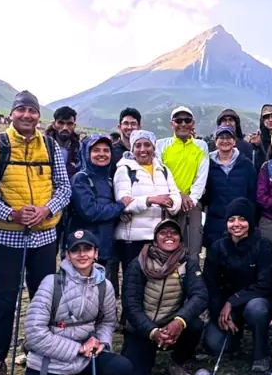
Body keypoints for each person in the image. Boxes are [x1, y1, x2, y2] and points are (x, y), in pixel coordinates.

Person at [0, 90, 70, 375]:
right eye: (22, 110)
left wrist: (46, 210)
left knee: (44, 300)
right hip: (7, 236)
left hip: (45, 236)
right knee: (3, 301)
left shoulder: (51, 146)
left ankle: (41, 357)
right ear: (12, 114)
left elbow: (64, 187)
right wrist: (12, 213)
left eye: (32, 111)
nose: (28, 116)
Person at [21, 230, 133, 375]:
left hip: (84, 359)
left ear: (96, 253)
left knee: (123, 368)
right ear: (67, 255)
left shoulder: (104, 286)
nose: (82, 254)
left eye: (87, 249)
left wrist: (101, 342)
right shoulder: (50, 284)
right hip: (50, 364)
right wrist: (77, 349)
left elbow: (107, 322)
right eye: (75, 250)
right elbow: (34, 333)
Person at [122, 220, 208, 375]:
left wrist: (179, 321)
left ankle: (177, 362)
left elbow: (200, 295)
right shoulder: (138, 263)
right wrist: (152, 331)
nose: (169, 236)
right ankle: (145, 360)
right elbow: (131, 305)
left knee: (195, 324)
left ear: (180, 238)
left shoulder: (188, 263)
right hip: (142, 329)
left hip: (171, 325)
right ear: (155, 239)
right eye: (163, 232)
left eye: (174, 233)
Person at [203, 199, 272, 371]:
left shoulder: (264, 245)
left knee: (257, 309)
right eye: (232, 220)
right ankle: (233, 336)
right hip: (227, 307)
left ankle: (261, 354)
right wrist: (219, 311)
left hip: (255, 301)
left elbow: (265, 284)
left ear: (250, 222)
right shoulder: (217, 247)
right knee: (214, 345)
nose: (237, 224)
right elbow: (211, 285)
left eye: (242, 219)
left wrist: (233, 301)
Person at [114, 129, 182, 280]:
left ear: (154, 147)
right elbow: (123, 203)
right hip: (132, 239)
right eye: (138, 146)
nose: (143, 150)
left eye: (147, 145)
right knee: (133, 283)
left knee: (154, 283)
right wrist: (151, 200)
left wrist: (171, 203)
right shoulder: (125, 170)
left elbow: (175, 195)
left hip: (158, 238)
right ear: (132, 149)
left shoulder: (163, 169)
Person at [65, 133, 126, 286]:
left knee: (102, 292)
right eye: (96, 150)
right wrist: (120, 206)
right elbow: (90, 211)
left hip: (105, 247)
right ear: (87, 153)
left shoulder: (109, 180)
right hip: (83, 248)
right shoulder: (81, 179)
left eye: (106, 150)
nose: (102, 154)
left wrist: (122, 214)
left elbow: (110, 210)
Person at [157, 106, 211, 257]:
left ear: (192, 123)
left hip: (191, 205)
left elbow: (201, 176)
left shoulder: (201, 146)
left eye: (187, 120)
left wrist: (192, 199)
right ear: (171, 124)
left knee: (192, 250)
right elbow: (160, 174)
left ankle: (192, 278)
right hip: (167, 202)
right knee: (166, 250)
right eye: (178, 120)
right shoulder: (161, 145)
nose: (182, 124)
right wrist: (179, 195)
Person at [202, 124, 259, 250]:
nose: (225, 140)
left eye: (228, 137)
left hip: (241, 223)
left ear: (234, 141)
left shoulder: (246, 164)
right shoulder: (206, 165)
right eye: (221, 137)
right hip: (215, 223)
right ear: (215, 141)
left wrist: (251, 221)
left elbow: (252, 195)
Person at [49, 105, 84, 178]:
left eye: (69, 124)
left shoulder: (80, 149)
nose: (65, 128)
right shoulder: (44, 146)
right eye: (61, 123)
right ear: (54, 124)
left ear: (74, 126)